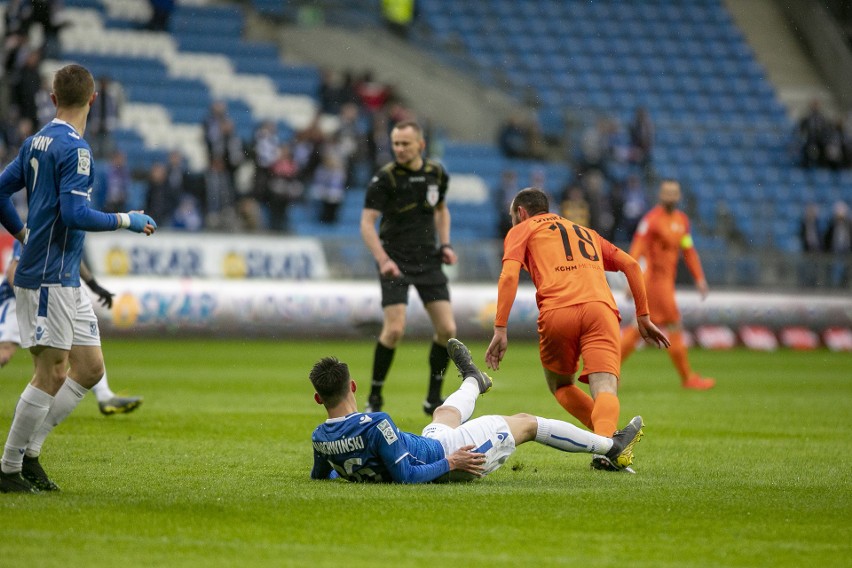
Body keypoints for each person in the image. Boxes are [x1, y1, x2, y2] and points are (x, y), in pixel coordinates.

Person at [0, 64, 157, 494]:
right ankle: (9, 467)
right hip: (48, 277)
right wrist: (127, 219)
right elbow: (74, 214)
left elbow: (1, 189)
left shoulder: (36, 141)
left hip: (63, 276)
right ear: (92, 99)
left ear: (52, 98)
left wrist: (21, 232)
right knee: (51, 371)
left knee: (88, 369)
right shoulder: (77, 149)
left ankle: (30, 455)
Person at [484, 187, 669, 472]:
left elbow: (508, 276)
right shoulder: (585, 232)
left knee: (561, 385)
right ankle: (609, 447)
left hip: (559, 311)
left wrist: (500, 328)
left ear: (521, 212)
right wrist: (643, 316)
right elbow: (632, 265)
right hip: (601, 310)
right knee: (606, 386)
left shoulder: (521, 230)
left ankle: (607, 446)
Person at [310, 339, 645, 483]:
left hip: (428, 447)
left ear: (318, 399)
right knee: (526, 423)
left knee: (444, 414)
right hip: (450, 457)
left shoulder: (320, 438)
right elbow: (406, 478)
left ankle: (474, 379)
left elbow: (323, 475)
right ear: (353, 386)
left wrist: (358, 471)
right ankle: (613, 448)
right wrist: (451, 463)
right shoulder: (376, 423)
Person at [360, 120, 457, 416]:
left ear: (421, 145)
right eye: (396, 144)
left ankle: (433, 398)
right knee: (395, 330)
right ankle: (374, 396)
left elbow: (441, 210)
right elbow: (366, 223)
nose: (399, 149)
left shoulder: (436, 173)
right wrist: (383, 260)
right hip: (395, 261)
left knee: (448, 329)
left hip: (428, 259)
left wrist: (446, 245)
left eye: (405, 144)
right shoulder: (385, 179)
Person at [0, 240, 143, 414]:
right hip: (20, 298)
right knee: (7, 353)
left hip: (54, 295)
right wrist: (30, 299)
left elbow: (73, 257)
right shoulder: (38, 225)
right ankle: (31, 411)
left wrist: (93, 285)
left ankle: (104, 395)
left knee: (83, 345)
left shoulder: (68, 224)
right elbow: (12, 270)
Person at [619, 179, 715, 390]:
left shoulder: (682, 221)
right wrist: (630, 276)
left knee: (638, 329)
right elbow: (638, 248)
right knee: (673, 325)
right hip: (655, 283)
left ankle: (607, 370)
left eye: (674, 193)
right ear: (661, 195)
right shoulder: (651, 220)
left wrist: (699, 277)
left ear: (679, 196)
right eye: (667, 193)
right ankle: (688, 378)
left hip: (666, 283)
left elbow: (688, 250)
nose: (671, 196)